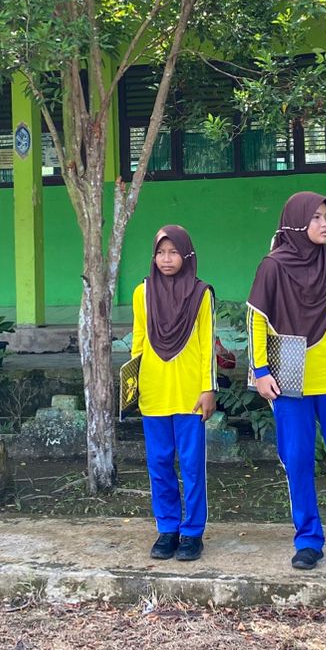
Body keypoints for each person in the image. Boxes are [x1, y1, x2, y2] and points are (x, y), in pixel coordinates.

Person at [248, 191, 326, 570]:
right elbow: (256, 319)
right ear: (296, 222)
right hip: (288, 376)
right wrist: (261, 371)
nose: (324, 224)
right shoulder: (272, 267)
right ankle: (308, 540)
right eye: (315, 217)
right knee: (297, 458)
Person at [132, 225, 216, 563]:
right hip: (153, 391)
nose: (166, 259)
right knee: (159, 462)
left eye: (173, 252)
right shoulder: (142, 293)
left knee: (192, 465)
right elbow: (138, 341)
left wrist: (208, 388)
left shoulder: (201, 294)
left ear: (187, 254)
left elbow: (208, 345)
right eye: (160, 253)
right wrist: (133, 385)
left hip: (190, 393)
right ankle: (167, 528)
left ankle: (192, 532)